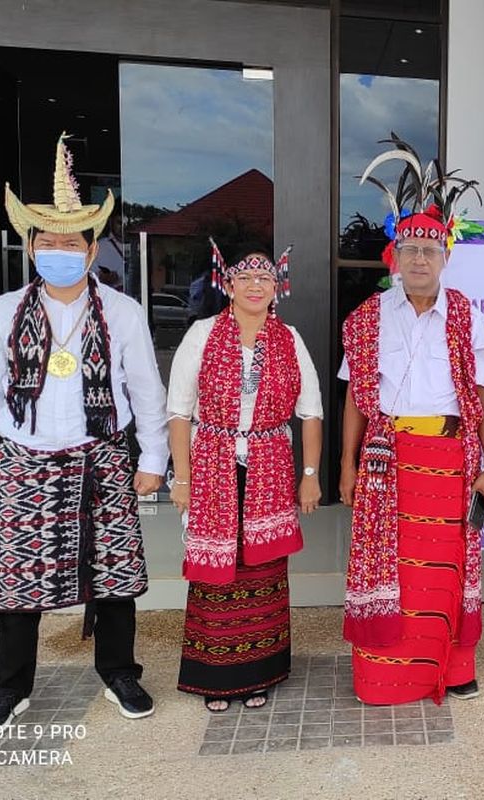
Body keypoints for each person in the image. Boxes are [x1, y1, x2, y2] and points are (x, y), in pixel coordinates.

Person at [0, 133, 169, 732]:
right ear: (31, 247)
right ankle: (10, 687)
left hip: (103, 458)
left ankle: (119, 673)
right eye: (49, 241)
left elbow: (147, 391)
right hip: (26, 460)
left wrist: (154, 456)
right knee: (18, 581)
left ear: (93, 252)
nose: (60, 250)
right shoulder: (3, 311)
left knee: (114, 577)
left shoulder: (121, 312)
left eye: (72, 242)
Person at [338, 137, 484, 704]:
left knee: (445, 568)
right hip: (388, 461)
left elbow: (483, 392)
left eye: (430, 249)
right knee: (395, 574)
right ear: (394, 257)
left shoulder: (465, 314)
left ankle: (455, 669)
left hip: (453, 459)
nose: (420, 259)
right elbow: (357, 397)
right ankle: (387, 677)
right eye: (409, 248)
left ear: (446, 256)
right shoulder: (366, 319)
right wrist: (346, 462)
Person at [167, 242, 323, 712]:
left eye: (266, 279)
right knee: (216, 569)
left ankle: (259, 673)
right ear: (228, 285)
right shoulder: (202, 334)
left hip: (271, 463)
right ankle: (215, 676)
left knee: (264, 566)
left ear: (278, 289)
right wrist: (182, 478)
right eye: (246, 278)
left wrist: (310, 474)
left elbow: (311, 413)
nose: (256, 286)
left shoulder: (289, 339)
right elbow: (179, 411)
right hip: (213, 461)